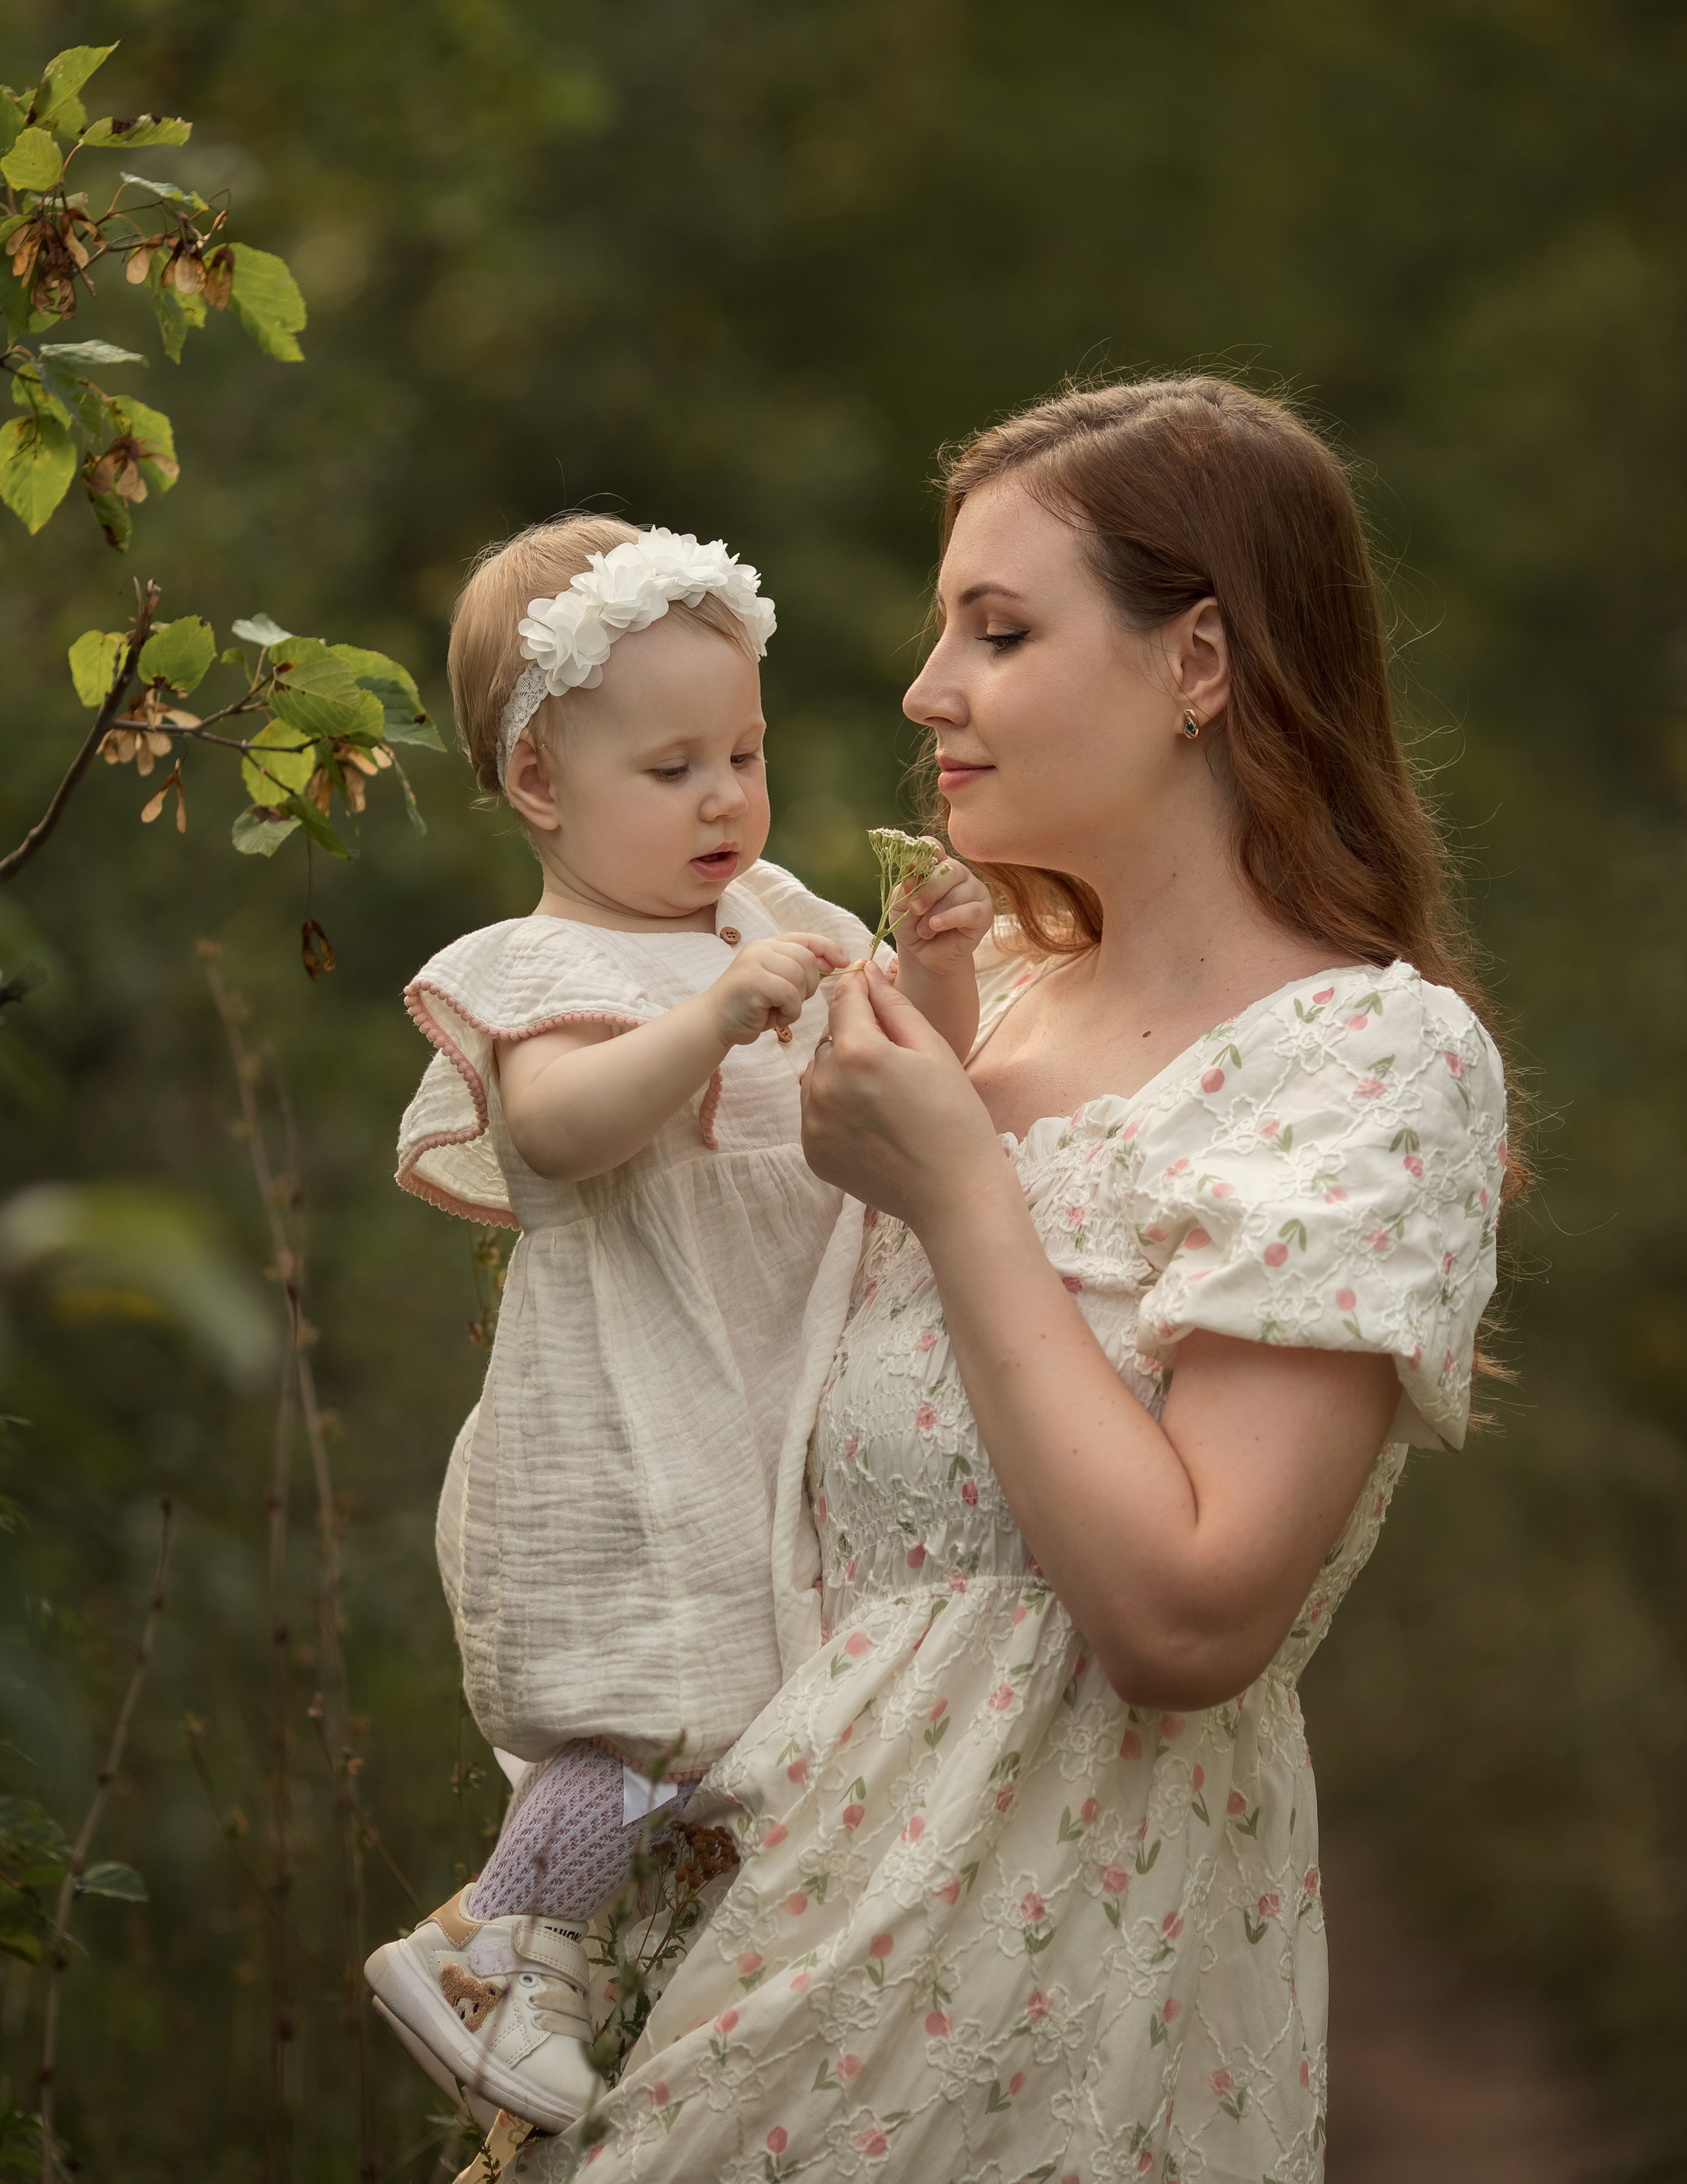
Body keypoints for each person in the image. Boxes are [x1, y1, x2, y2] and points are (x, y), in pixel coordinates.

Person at [549, 379, 1512, 2183]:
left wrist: (959, 1192)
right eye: (943, 631)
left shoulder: (1373, 1063)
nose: (929, 693)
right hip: (761, 1921)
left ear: (1200, 663)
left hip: (1052, 1973)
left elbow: (1189, 1622)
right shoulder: (973, 1004)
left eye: (998, 631)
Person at [363, 515, 992, 2128]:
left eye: (744, 751)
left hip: (772, 1377)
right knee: (657, 1691)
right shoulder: (541, 962)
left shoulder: (765, 910)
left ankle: (578, 1969)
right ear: (538, 788)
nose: (724, 796)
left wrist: (931, 976)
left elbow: (913, 1080)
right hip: (640, 1395)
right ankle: (495, 1938)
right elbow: (556, 1130)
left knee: (750, 1720)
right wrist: (709, 1018)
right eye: (670, 769)